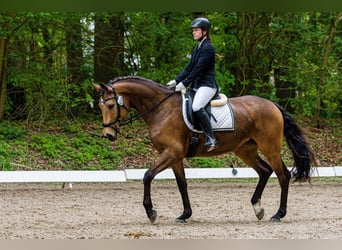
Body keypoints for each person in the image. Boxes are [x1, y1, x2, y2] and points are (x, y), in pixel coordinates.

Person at [167, 17, 218, 152]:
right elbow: (189, 68)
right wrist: (176, 80)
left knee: (196, 106)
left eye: (196, 30)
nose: (193, 33)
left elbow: (198, 69)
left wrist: (184, 83)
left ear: (205, 31)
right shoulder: (197, 48)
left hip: (207, 85)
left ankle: (210, 137)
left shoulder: (208, 48)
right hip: (196, 85)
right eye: (193, 30)